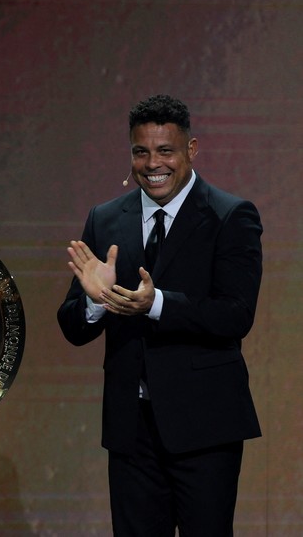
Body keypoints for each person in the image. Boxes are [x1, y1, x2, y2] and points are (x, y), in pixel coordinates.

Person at [57, 94, 262, 536]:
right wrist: (96, 300)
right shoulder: (107, 219)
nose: (153, 163)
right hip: (132, 432)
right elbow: (72, 325)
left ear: (191, 149)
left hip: (205, 427)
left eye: (166, 151)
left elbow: (236, 315)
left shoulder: (230, 216)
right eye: (141, 151)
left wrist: (158, 304)